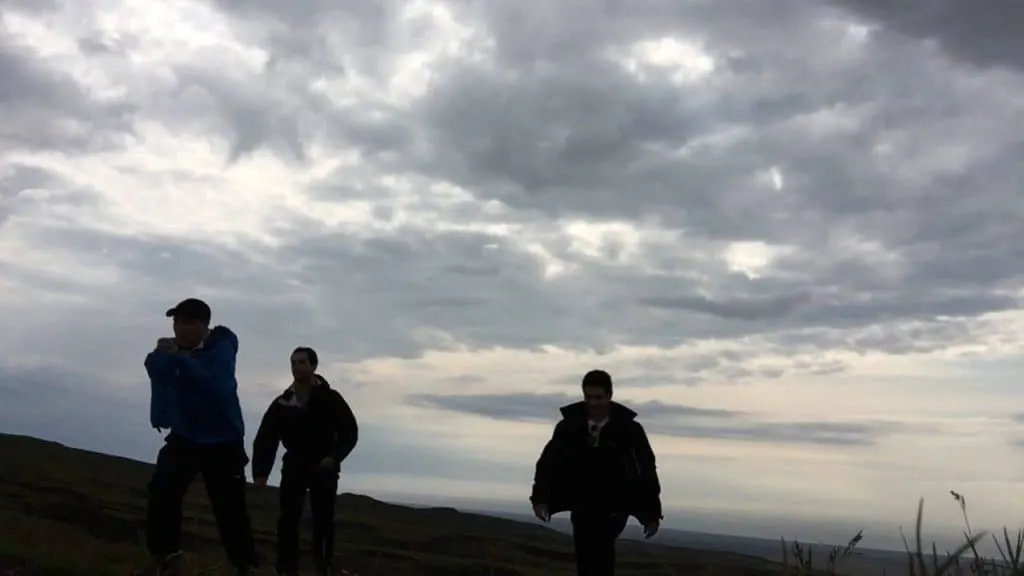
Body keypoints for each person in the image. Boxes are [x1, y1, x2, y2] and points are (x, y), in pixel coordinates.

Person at [144, 298, 257, 576]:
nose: (179, 328)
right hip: (185, 437)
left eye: (187, 323)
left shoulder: (221, 349)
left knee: (229, 509)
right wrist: (160, 356)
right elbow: (155, 370)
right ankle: (167, 558)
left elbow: (218, 388)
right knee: (162, 489)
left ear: (204, 326)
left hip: (223, 442)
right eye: (176, 322)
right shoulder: (175, 352)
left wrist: (181, 359)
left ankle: (245, 566)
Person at [529, 369, 663, 576]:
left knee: (601, 551)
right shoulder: (569, 427)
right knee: (585, 556)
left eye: (598, 397)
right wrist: (540, 498)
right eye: (588, 397)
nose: (593, 403)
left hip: (615, 505)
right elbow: (548, 463)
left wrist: (651, 513)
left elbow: (646, 469)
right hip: (582, 502)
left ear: (609, 396)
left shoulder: (629, 430)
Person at [252, 346, 359, 576]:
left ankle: (324, 567)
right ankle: (286, 569)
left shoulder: (330, 398)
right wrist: (261, 472)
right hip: (294, 465)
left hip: (324, 466)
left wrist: (334, 457)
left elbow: (350, 431)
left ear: (313, 366)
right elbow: (266, 437)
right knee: (288, 519)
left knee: (323, 520)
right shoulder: (284, 401)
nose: (296, 367)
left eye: (301, 362)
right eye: (293, 363)